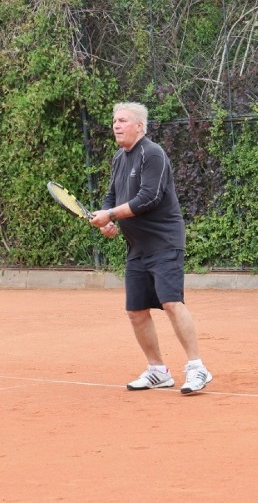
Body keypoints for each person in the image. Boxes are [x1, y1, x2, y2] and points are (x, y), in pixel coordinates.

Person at [89, 102, 212, 394]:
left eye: (122, 120)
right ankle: (157, 370)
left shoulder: (152, 153)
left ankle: (197, 368)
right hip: (137, 247)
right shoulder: (119, 158)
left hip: (165, 242)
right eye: (114, 120)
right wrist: (108, 220)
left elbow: (149, 197)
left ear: (139, 126)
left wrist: (112, 215)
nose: (116, 125)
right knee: (136, 310)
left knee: (171, 302)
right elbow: (111, 196)